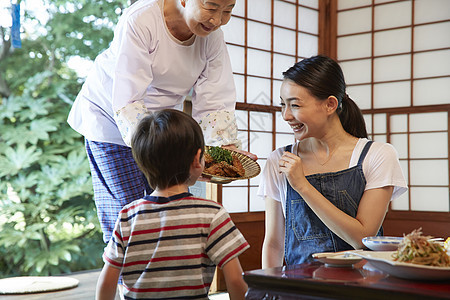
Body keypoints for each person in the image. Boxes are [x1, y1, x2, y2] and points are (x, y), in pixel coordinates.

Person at [67, 0, 256, 245]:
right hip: (111, 120)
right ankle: (126, 283)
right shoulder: (142, 19)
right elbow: (128, 99)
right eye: (211, 7)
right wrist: (166, 150)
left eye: (228, 10)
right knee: (130, 214)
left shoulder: (212, 38)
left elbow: (215, 101)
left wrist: (223, 151)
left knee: (171, 209)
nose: (218, 20)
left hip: (161, 127)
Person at [258, 55, 408, 268]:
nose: (286, 115)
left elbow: (362, 237)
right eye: (283, 105)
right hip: (299, 289)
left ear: (330, 104)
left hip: (362, 287)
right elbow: (273, 244)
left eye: (295, 105)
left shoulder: (378, 155)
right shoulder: (279, 160)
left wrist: (302, 185)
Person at [95, 109, 249, 300]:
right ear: (197, 159)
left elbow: (106, 284)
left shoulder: (128, 216)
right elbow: (235, 281)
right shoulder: (212, 214)